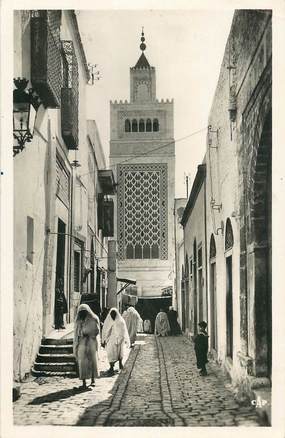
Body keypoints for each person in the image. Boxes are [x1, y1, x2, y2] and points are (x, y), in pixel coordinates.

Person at [73, 303, 100, 389]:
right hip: (82, 343)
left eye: (84, 311)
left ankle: (93, 380)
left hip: (91, 342)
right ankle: (84, 381)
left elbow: (97, 331)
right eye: (81, 312)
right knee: (82, 363)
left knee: (92, 361)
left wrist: (89, 333)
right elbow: (76, 333)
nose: (83, 313)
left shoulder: (94, 318)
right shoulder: (78, 320)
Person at [101, 308, 130, 376]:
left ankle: (120, 363)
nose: (113, 316)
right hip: (111, 339)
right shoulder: (108, 321)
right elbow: (106, 330)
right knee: (111, 353)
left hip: (120, 340)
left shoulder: (120, 321)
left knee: (120, 353)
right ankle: (111, 367)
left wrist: (121, 339)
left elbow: (123, 331)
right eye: (111, 315)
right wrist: (104, 340)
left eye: (114, 314)